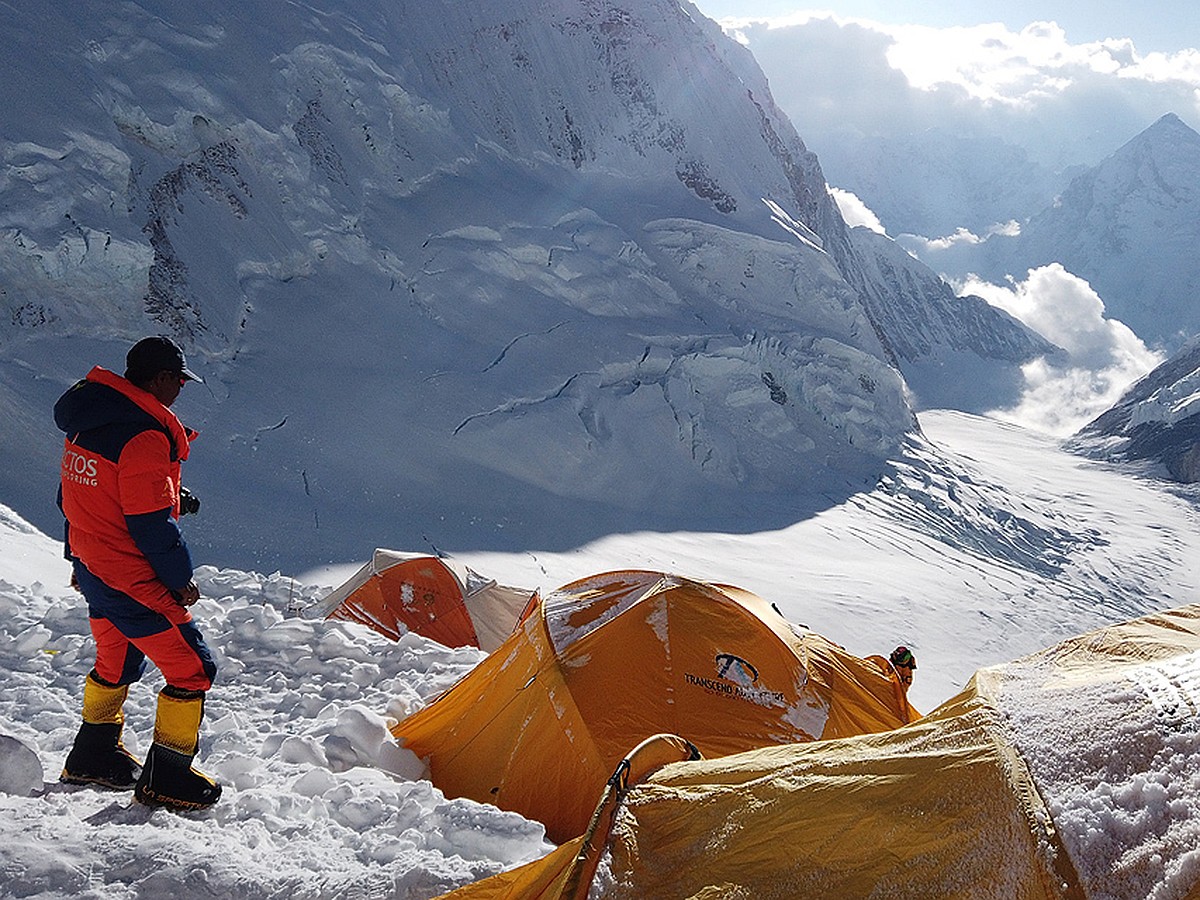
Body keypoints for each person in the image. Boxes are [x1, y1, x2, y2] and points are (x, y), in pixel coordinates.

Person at [55, 335, 220, 811]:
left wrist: (75, 558)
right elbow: (149, 526)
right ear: (162, 378)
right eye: (180, 381)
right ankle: (169, 777)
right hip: (130, 577)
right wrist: (177, 581)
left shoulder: (89, 423)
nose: (181, 390)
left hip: (93, 567)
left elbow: (77, 496)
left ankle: (93, 754)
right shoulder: (146, 435)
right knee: (193, 669)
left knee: (117, 661)